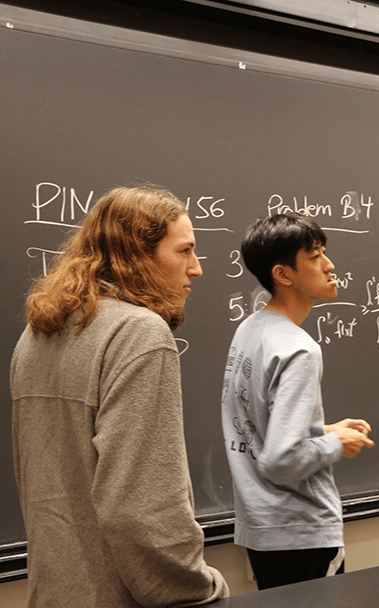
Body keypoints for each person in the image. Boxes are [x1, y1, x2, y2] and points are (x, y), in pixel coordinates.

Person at [11, 186, 228, 607]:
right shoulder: (139, 333)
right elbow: (143, 507)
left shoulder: (37, 334)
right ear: (138, 255)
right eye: (184, 251)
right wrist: (199, 590)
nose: (197, 268)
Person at [222, 213, 374, 590]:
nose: (329, 265)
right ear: (283, 274)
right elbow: (281, 460)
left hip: (262, 531)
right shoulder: (298, 349)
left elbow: (259, 426)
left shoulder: (250, 329)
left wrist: (321, 430)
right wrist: (335, 442)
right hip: (301, 532)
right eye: (315, 256)